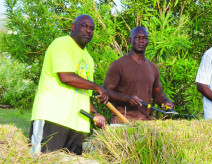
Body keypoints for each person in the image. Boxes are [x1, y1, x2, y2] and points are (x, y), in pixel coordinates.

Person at [29, 14, 108, 155]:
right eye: (84, 26)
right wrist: (96, 86)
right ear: (73, 27)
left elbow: (84, 94)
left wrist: (95, 113)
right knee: (43, 159)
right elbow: (65, 77)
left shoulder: (88, 58)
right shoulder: (61, 44)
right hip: (53, 117)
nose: (88, 30)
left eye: (92, 28)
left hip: (77, 123)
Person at [103, 26, 174, 124]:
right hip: (122, 121)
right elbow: (106, 92)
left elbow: (157, 94)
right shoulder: (118, 65)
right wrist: (127, 99)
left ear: (147, 42)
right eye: (137, 38)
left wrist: (166, 101)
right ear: (129, 40)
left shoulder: (153, 68)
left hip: (145, 123)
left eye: (144, 38)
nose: (141, 41)